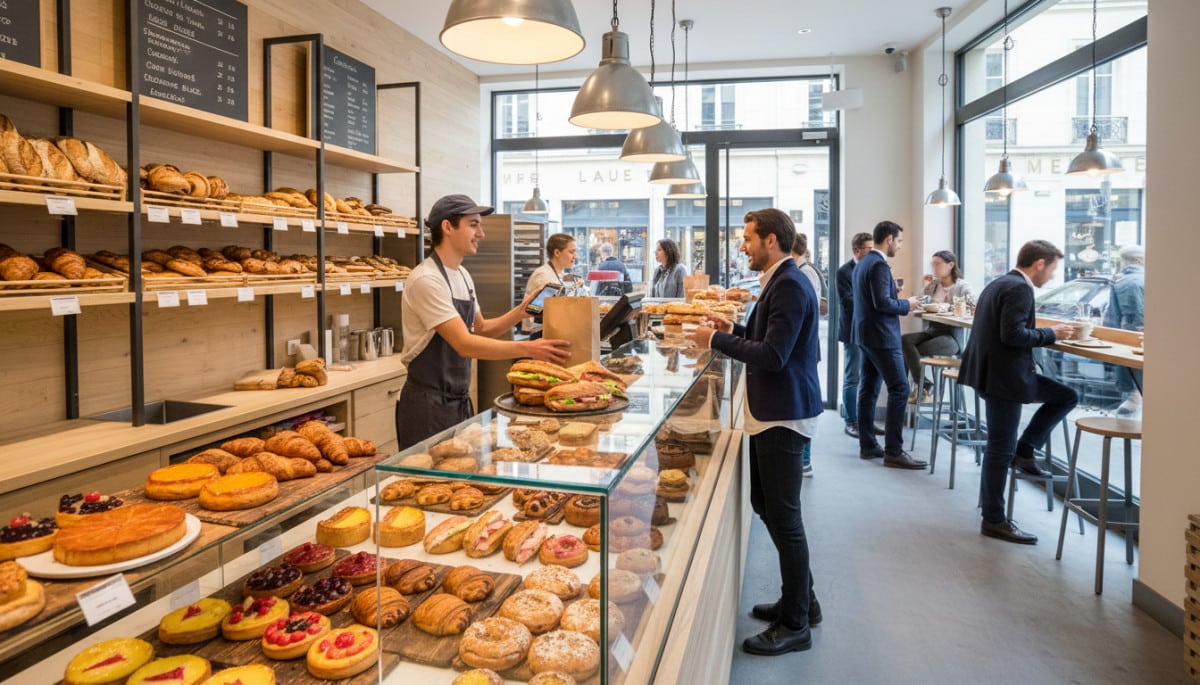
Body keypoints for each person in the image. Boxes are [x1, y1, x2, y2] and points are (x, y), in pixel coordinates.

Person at [686, 208, 823, 656]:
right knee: (765, 503)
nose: (742, 246)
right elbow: (767, 339)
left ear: (770, 240)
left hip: (783, 414)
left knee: (785, 518)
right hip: (775, 411)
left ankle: (796, 623)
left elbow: (773, 356)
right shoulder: (782, 282)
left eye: (747, 239)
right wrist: (734, 328)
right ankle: (802, 598)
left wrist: (714, 340)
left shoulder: (788, 284)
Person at [397, 194, 570, 449]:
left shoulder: (463, 275)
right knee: (430, 484)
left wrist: (521, 311)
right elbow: (464, 344)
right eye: (474, 224)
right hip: (427, 406)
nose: (482, 233)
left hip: (458, 401)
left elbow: (481, 328)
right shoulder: (427, 280)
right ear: (447, 227)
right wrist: (529, 349)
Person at [959, 240, 1078, 545]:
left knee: (1065, 396)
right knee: (1000, 447)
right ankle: (994, 520)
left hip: (992, 373)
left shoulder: (999, 283)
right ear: (1039, 264)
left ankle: (1025, 450)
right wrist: (1052, 334)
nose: (1051, 276)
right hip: (1005, 378)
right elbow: (1013, 335)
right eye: (1051, 269)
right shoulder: (1019, 289)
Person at [853, 220, 927, 469]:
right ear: (889, 239)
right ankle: (894, 451)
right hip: (882, 337)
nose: (900, 246)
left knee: (869, 389)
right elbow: (883, 304)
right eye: (900, 241)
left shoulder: (862, 263)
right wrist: (909, 304)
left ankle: (868, 445)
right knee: (900, 389)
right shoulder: (879, 266)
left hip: (865, 335)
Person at [901, 250, 974, 402]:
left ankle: (918, 389)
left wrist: (950, 307)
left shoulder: (962, 286)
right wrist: (926, 286)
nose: (934, 267)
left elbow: (972, 304)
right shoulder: (934, 285)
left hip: (952, 337)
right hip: (932, 331)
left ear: (951, 265)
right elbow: (922, 303)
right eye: (932, 264)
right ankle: (924, 385)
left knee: (909, 350)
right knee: (904, 341)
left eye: (937, 264)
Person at [791, 233, 825, 477]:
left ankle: (804, 461)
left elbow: (802, 311)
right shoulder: (806, 271)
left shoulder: (804, 273)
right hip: (807, 345)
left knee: (803, 401)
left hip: (805, 346)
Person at [837, 233, 874, 439]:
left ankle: (865, 422)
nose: (872, 252)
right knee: (852, 377)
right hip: (852, 330)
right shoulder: (844, 271)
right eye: (869, 249)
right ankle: (851, 421)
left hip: (870, 331)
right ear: (857, 250)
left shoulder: (872, 269)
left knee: (869, 377)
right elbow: (848, 302)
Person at [1104, 244, 1145, 417]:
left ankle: (1132, 398)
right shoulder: (1147, 278)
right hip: (1141, 341)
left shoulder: (1119, 282)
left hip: (1127, 341)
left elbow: (1111, 320)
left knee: (1136, 391)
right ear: (1139, 260)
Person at [522, 233, 577, 335]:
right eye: (571, 252)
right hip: (541, 334)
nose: (575, 256)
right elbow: (535, 309)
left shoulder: (557, 274)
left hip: (551, 331)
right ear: (557, 252)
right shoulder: (543, 276)